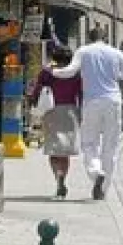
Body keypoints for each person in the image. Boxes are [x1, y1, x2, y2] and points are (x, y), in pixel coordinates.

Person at [47, 25, 123, 199]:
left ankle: (96, 171)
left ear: (90, 38)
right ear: (105, 37)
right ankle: (103, 189)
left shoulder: (84, 51)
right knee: (110, 146)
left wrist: (54, 71)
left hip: (92, 102)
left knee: (89, 143)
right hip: (113, 101)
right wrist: (116, 75)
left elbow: (70, 71)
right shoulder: (116, 53)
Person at [25, 43, 83, 199]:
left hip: (51, 111)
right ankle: (63, 175)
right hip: (70, 111)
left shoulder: (47, 72)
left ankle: (58, 177)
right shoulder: (75, 73)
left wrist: (32, 102)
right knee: (65, 152)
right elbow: (81, 93)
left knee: (53, 149)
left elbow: (37, 90)